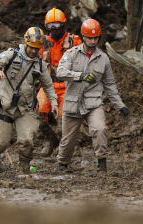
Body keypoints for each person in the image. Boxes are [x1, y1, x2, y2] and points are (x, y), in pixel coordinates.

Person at [56, 19, 130, 172]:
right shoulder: (71, 54)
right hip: (73, 102)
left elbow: (110, 85)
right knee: (68, 138)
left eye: (95, 38)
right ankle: (62, 164)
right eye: (89, 37)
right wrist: (80, 75)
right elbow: (60, 73)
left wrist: (120, 106)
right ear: (83, 37)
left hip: (93, 103)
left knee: (100, 129)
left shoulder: (103, 59)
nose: (93, 40)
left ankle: (102, 163)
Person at [0, 27, 59, 173]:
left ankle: (24, 168)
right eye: (32, 47)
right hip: (5, 106)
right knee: (1, 142)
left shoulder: (40, 64)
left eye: (37, 48)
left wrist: (54, 102)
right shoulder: (12, 54)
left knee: (26, 140)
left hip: (25, 107)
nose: (34, 51)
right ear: (26, 43)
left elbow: (48, 85)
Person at [37, 8, 82, 157]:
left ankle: (66, 151)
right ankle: (51, 140)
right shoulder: (43, 42)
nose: (53, 29)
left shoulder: (74, 41)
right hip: (48, 85)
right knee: (37, 115)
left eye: (56, 25)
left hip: (67, 86)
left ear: (63, 25)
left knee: (65, 122)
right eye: (50, 26)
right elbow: (36, 64)